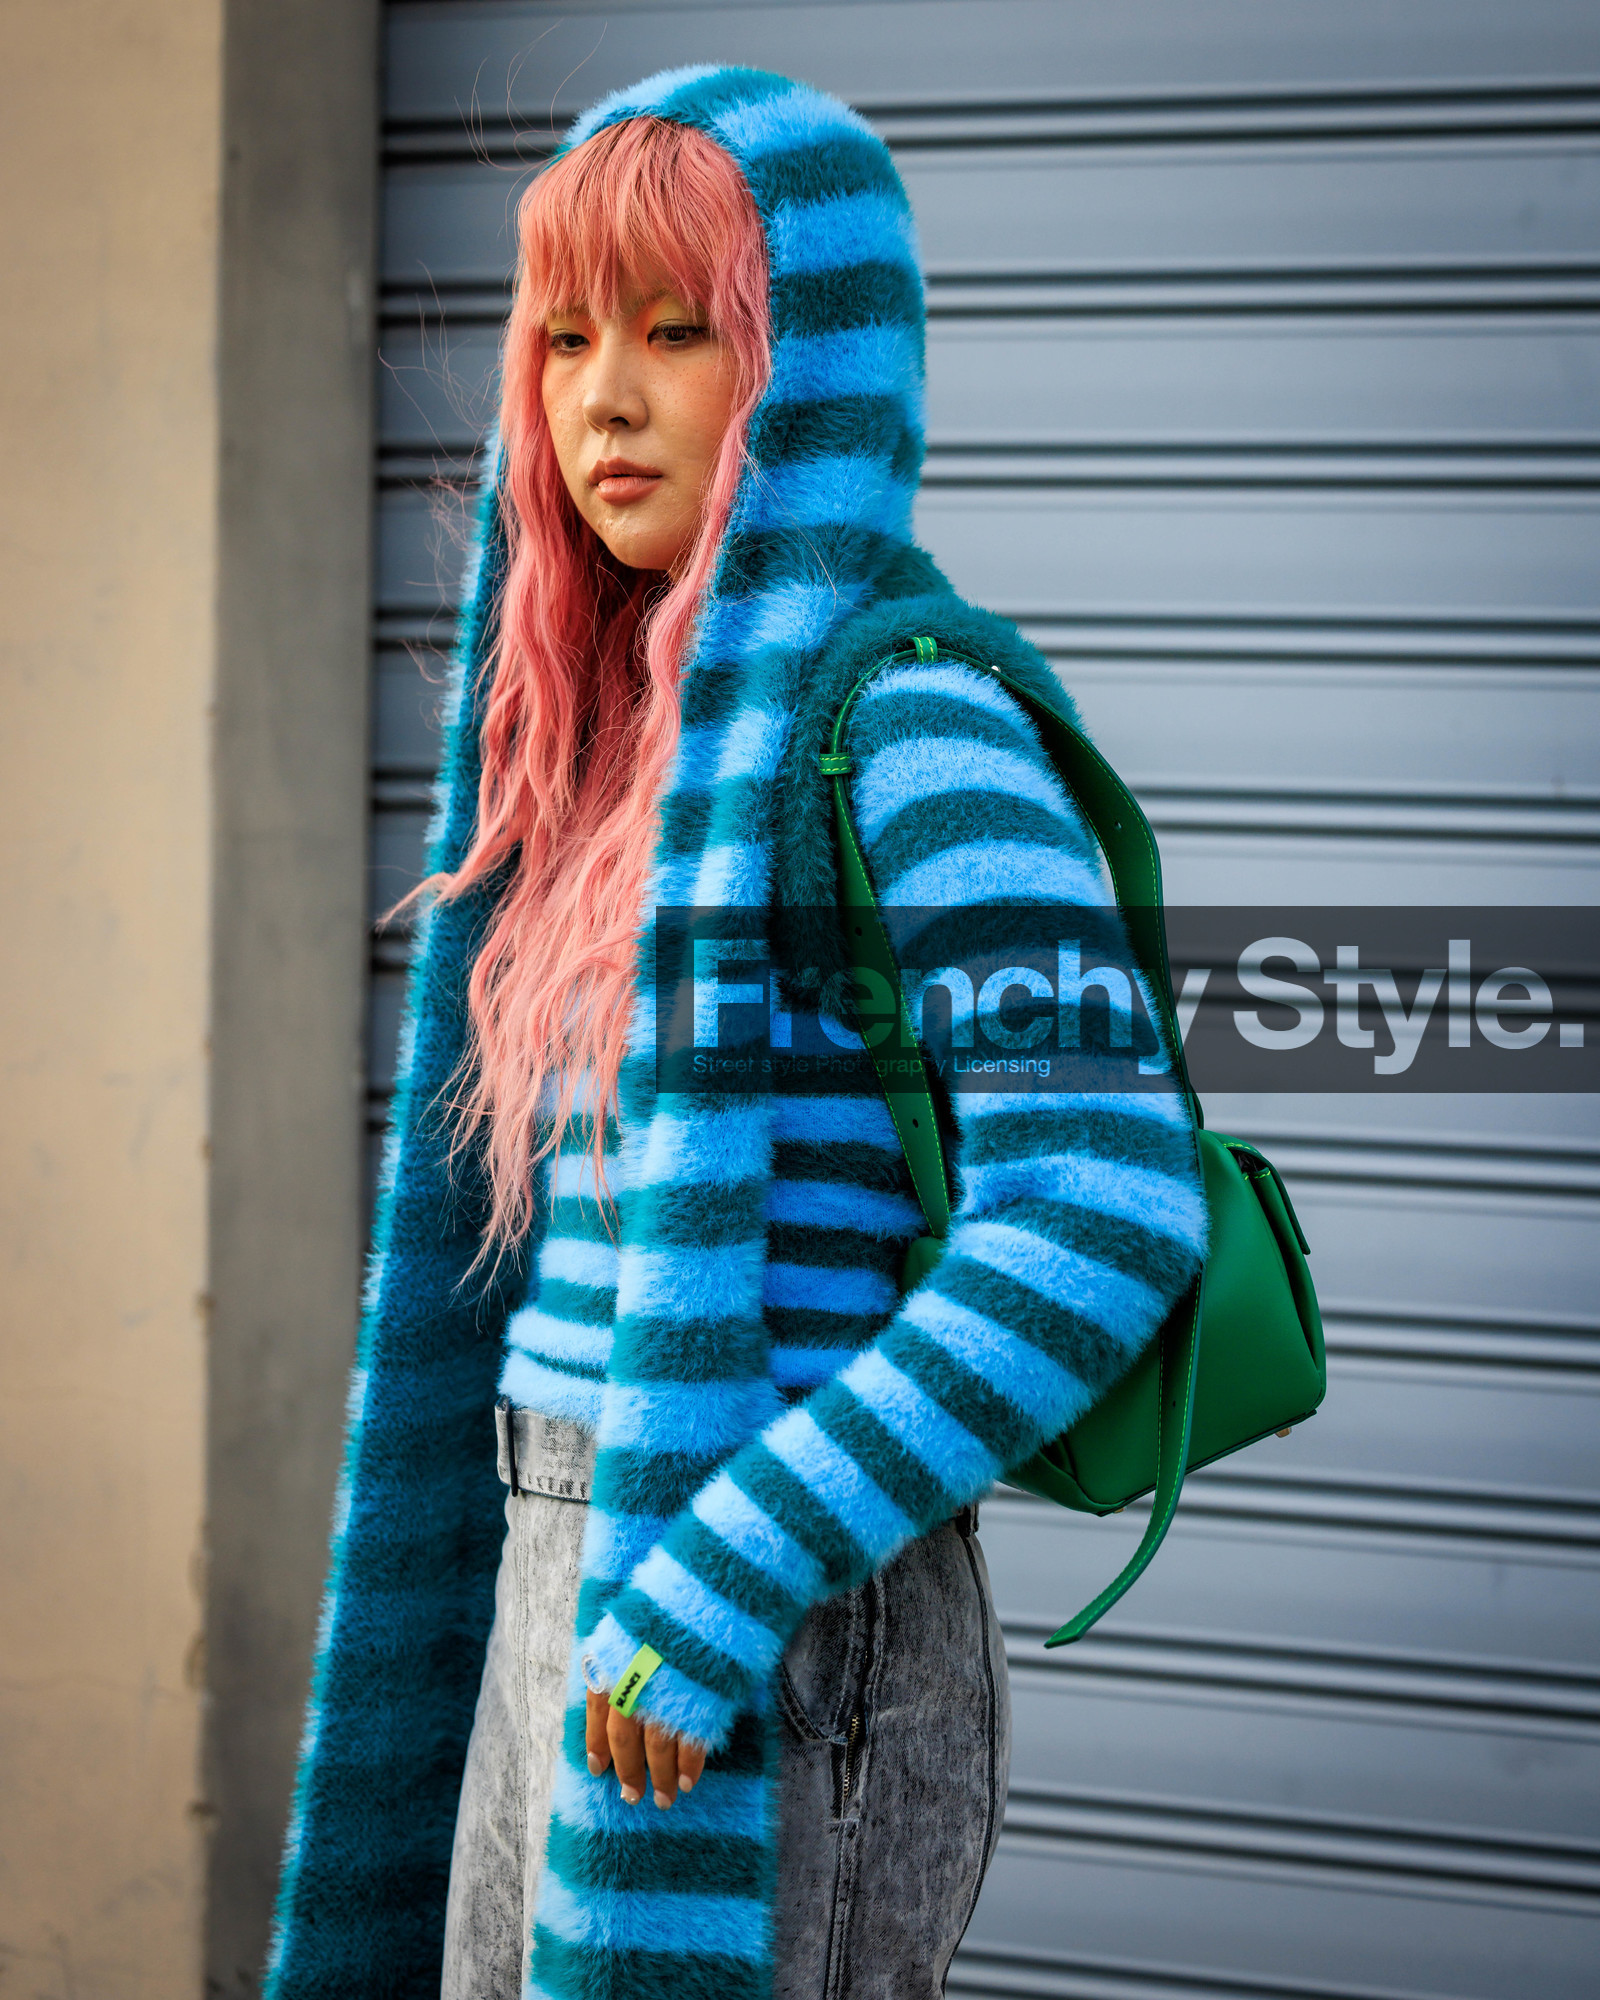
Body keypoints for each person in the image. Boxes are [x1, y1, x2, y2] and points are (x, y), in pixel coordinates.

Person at [265, 66, 1207, 2000]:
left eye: (680, 332)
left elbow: (1105, 1202)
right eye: (567, 335)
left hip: (767, 1608)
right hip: (562, 1561)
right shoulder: (612, 751)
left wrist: (719, 1575)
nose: (601, 395)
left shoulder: (905, 717)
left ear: (813, 368)